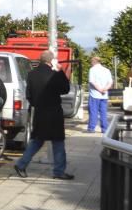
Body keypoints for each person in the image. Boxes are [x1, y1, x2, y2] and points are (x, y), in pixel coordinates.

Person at [13, 50, 74, 180]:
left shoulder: (31, 74)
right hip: (54, 113)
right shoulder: (54, 74)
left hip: (39, 112)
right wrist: (61, 72)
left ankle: (21, 164)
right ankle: (59, 171)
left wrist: (37, 104)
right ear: (51, 61)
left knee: (37, 140)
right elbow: (65, 89)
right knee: (58, 141)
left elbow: (28, 95)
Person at [86, 56, 113, 134]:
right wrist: (105, 89)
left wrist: (99, 89)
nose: (90, 63)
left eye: (91, 61)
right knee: (103, 112)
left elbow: (92, 82)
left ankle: (91, 128)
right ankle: (104, 129)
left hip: (95, 94)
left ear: (94, 61)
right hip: (104, 95)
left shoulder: (92, 70)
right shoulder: (106, 70)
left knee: (93, 111)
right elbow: (110, 82)